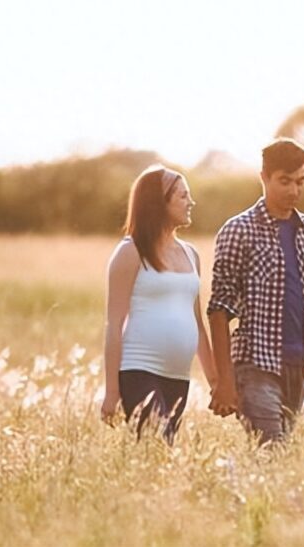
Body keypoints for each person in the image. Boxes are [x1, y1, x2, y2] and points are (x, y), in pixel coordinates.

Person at [207, 138, 304, 444]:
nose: (294, 190)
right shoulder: (238, 231)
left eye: (300, 181)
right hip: (254, 365)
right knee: (272, 451)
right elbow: (219, 310)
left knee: (274, 459)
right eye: (284, 181)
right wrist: (224, 381)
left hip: (298, 366)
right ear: (264, 177)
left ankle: (235, 488)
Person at [100, 165, 217, 443]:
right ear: (159, 202)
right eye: (182, 196)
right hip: (139, 369)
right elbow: (114, 325)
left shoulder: (192, 255)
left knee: (159, 454)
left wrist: (216, 382)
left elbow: (197, 325)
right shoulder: (130, 252)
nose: (191, 202)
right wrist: (112, 391)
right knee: (157, 445)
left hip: (178, 376)